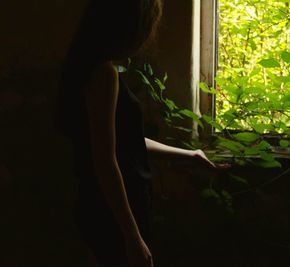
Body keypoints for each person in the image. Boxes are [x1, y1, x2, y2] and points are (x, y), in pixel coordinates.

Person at [57, 0, 227, 266]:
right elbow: (105, 160)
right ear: (128, 28)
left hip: (102, 206)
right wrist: (132, 236)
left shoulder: (84, 68)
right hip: (114, 210)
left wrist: (190, 154)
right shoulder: (104, 75)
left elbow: (123, 140)